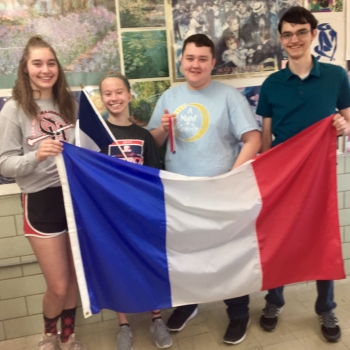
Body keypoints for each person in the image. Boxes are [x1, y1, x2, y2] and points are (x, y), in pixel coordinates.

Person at [148, 33, 261, 345]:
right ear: (181, 62)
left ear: (213, 62)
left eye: (202, 59)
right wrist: (161, 130)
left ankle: (238, 312)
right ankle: (188, 304)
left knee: (229, 255)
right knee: (185, 254)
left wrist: (232, 177)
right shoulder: (170, 97)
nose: (195, 64)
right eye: (189, 58)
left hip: (220, 193)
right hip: (180, 195)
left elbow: (253, 139)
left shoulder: (229, 97)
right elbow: (153, 143)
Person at [256, 6, 350, 343]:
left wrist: (343, 125)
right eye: (287, 34)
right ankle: (274, 301)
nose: (294, 39)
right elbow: (266, 138)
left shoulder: (337, 76)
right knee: (279, 237)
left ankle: (325, 307)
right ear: (280, 40)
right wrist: (265, 175)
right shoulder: (271, 83)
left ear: (312, 34)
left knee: (322, 236)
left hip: (320, 173)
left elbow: (348, 122)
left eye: (300, 32)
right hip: (281, 175)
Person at [0, 36, 86, 350]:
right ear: (25, 68)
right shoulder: (14, 109)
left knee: (75, 280)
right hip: (40, 201)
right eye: (37, 63)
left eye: (51, 63)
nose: (45, 69)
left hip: (74, 198)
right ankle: (48, 337)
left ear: (57, 68)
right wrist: (35, 156)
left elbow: (86, 149)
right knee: (59, 285)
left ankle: (69, 337)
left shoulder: (69, 105)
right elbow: (4, 164)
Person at [98, 71, 173, 350]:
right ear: (102, 99)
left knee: (149, 263)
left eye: (119, 92)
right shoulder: (96, 136)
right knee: (117, 268)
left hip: (141, 214)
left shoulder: (143, 135)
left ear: (129, 95)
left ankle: (156, 319)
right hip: (112, 217)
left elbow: (154, 176)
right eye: (107, 93)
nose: (114, 98)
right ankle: (124, 325)